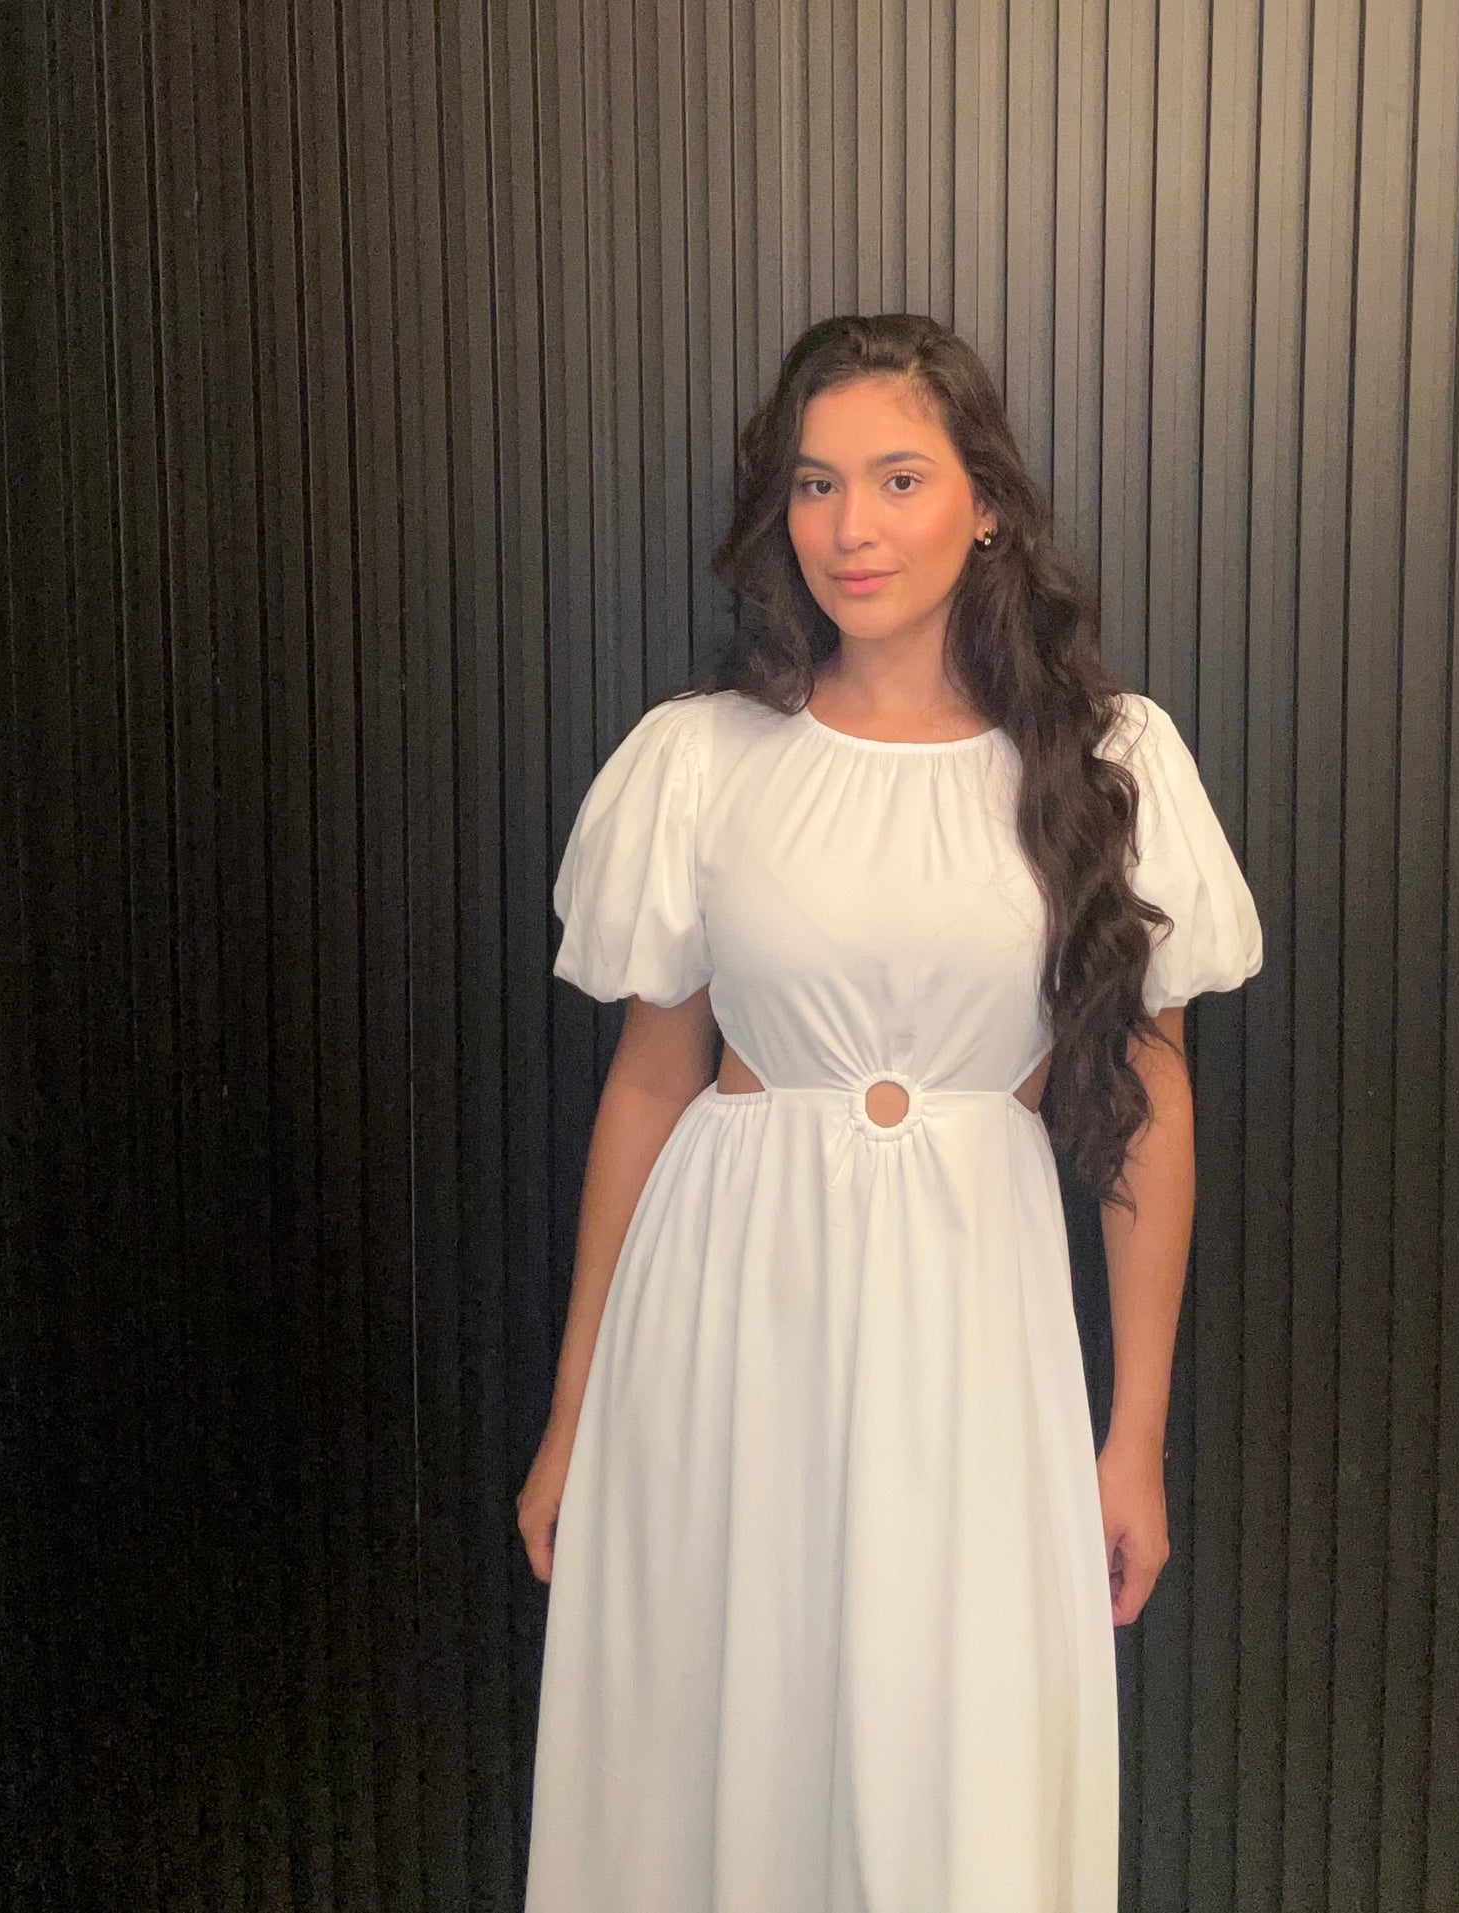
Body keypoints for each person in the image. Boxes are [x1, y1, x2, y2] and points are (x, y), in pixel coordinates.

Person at [519, 312, 1263, 1912]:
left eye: (898, 477)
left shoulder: (1107, 763)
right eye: (813, 483)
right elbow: (650, 1085)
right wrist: (574, 1414)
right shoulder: (702, 761)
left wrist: (1127, 1436)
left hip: (969, 1332)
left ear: (983, 501)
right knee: (721, 1737)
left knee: (956, 1752)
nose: (849, 528)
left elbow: (1147, 1100)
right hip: (725, 1320)